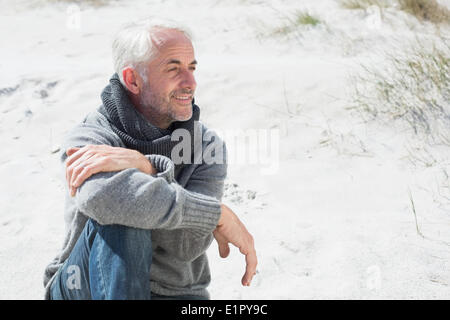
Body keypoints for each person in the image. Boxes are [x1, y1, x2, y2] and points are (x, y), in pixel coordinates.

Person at [43, 19, 257, 300]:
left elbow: (188, 245)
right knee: (123, 217)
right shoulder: (91, 136)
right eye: (173, 68)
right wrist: (212, 212)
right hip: (84, 285)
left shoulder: (207, 145)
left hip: (177, 293)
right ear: (133, 79)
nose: (190, 83)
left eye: (192, 68)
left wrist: (147, 167)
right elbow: (104, 202)